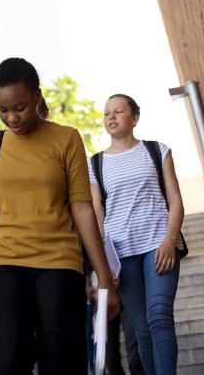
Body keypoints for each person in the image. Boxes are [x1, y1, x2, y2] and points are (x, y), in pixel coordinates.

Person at [0, 57, 120, 374]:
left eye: (19, 107)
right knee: (10, 364)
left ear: (37, 96)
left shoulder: (66, 138)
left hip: (59, 263)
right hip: (5, 263)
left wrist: (104, 277)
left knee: (61, 363)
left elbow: (82, 207)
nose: (12, 117)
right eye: (2, 109)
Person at [88, 94, 184, 375]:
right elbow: (97, 216)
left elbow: (176, 201)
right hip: (122, 255)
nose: (111, 117)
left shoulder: (157, 150)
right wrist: (104, 266)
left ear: (135, 118)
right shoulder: (95, 164)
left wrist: (169, 241)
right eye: (107, 113)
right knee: (141, 329)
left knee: (159, 317)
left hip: (159, 246)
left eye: (118, 111)